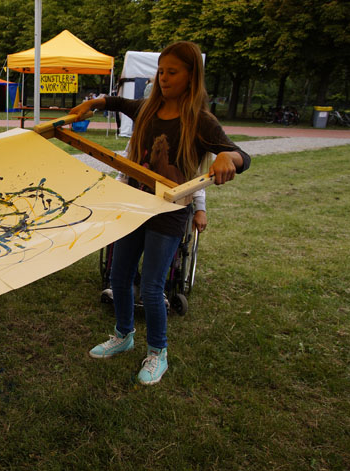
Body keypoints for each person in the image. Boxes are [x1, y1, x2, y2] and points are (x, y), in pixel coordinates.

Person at [71, 41, 250, 385]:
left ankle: (157, 352)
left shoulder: (200, 121)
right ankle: (123, 335)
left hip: (169, 214)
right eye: (161, 72)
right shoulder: (147, 109)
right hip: (136, 206)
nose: (164, 78)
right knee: (119, 277)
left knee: (152, 287)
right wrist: (94, 103)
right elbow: (117, 102)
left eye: (172, 72)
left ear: (191, 76)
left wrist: (229, 157)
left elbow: (240, 155)